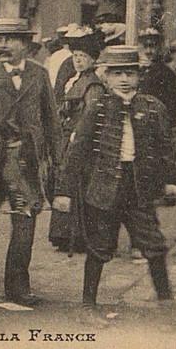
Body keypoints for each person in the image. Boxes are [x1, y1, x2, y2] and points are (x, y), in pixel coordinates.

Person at [53, 45, 176, 324]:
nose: (124, 80)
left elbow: (164, 148)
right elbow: (77, 152)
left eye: (130, 73)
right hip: (103, 190)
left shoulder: (152, 108)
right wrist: (63, 191)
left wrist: (170, 180)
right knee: (99, 248)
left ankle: (168, 307)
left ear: (139, 76)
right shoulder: (98, 108)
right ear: (107, 78)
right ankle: (88, 306)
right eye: (117, 74)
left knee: (154, 245)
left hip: (139, 190)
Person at [0, 18, 63, 307]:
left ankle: (17, 286)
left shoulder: (39, 75)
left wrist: (58, 160)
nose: (3, 45)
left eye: (11, 39)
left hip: (28, 164)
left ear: (26, 44)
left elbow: (51, 121)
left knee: (25, 223)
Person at [49, 24, 105, 253]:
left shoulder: (93, 85)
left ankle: (78, 235)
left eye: (83, 57)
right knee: (64, 179)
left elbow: (90, 114)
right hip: (66, 135)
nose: (79, 60)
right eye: (76, 56)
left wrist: (77, 133)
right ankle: (62, 234)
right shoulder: (75, 79)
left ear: (93, 60)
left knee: (77, 184)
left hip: (80, 138)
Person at [138, 27, 176, 126]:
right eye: (145, 47)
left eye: (152, 46)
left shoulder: (166, 72)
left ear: (159, 47)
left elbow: (172, 102)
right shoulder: (139, 70)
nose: (148, 51)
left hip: (158, 121)